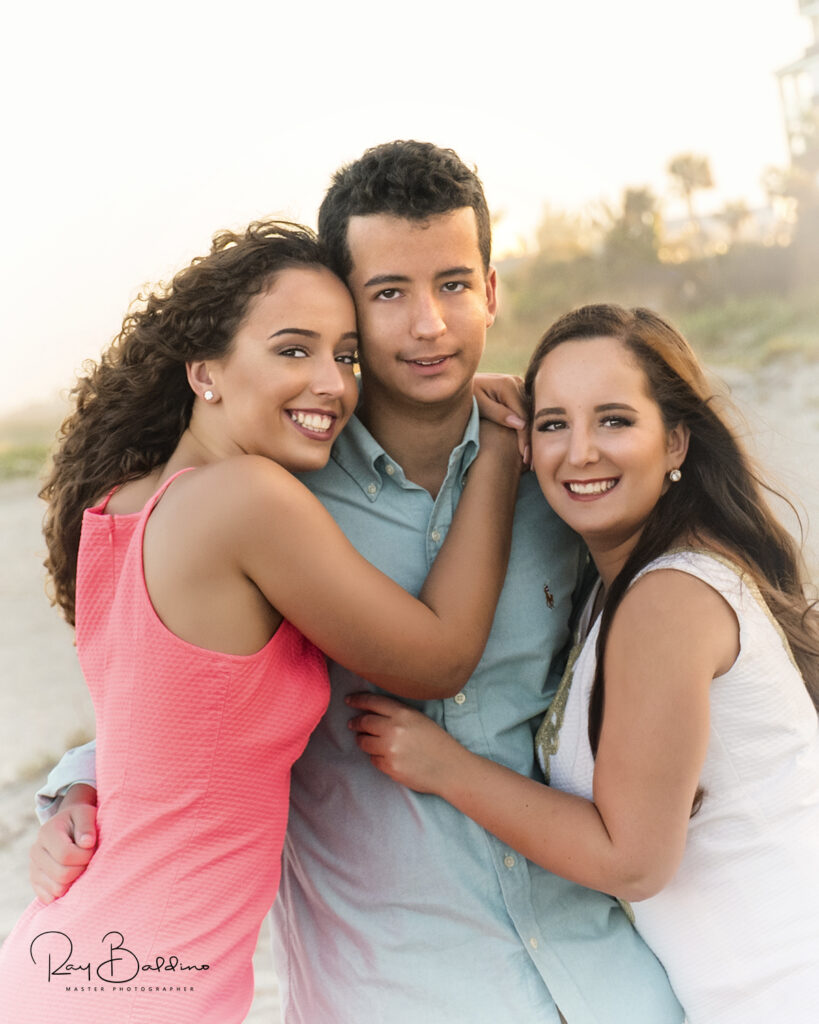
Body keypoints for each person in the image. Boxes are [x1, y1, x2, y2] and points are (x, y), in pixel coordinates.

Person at [31, 144, 684, 1023]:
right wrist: (77, 785)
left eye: (453, 285)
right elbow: (175, 697)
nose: (428, 326)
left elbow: (690, 618)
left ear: (491, 290)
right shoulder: (282, 496)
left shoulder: (563, 474)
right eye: (387, 295)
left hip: (601, 978)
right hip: (387, 990)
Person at [0, 219, 526, 1023]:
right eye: (293, 350)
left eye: (345, 356)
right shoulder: (249, 499)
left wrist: (76, 784)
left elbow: (160, 731)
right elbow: (437, 659)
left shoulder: (115, 510)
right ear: (205, 371)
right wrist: (491, 451)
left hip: (73, 961)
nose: (333, 383)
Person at [348, 303, 819, 1023]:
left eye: (615, 421)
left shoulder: (668, 597)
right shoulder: (624, 587)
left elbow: (633, 861)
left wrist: (442, 766)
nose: (581, 452)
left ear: (675, 443)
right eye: (555, 423)